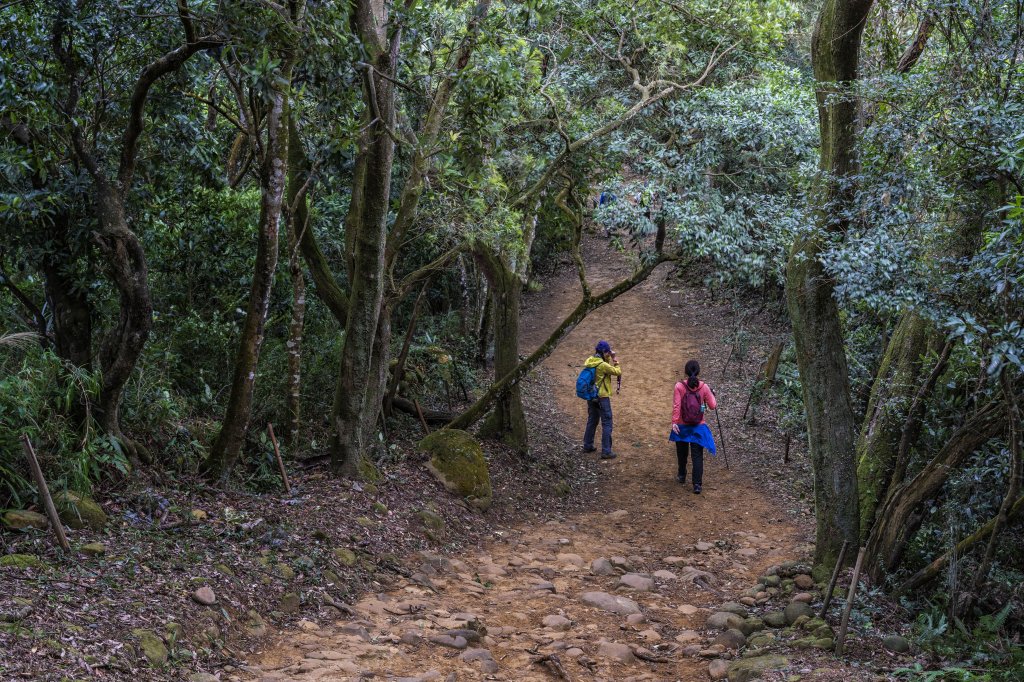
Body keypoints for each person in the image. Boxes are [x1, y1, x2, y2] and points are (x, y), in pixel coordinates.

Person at [670, 359, 717, 494]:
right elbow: (713, 406)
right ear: (698, 371)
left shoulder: (679, 386)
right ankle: (697, 484)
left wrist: (674, 422)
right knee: (697, 455)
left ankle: (681, 475)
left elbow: (677, 406)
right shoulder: (704, 387)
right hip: (698, 426)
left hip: (681, 426)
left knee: (682, 452)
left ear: (685, 372)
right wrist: (712, 395)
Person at [583, 340, 622, 459]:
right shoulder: (603, 365)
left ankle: (587, 445)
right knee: (607, 423)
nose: (609, 353)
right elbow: (617, 371)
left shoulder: (591, 361)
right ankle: (606, 451)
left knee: (592, 420)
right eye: (608, 352)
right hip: (602, 397)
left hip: (591, 396)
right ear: (605, 352)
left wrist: (608, 357)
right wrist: (615, 360)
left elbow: (604, 367)